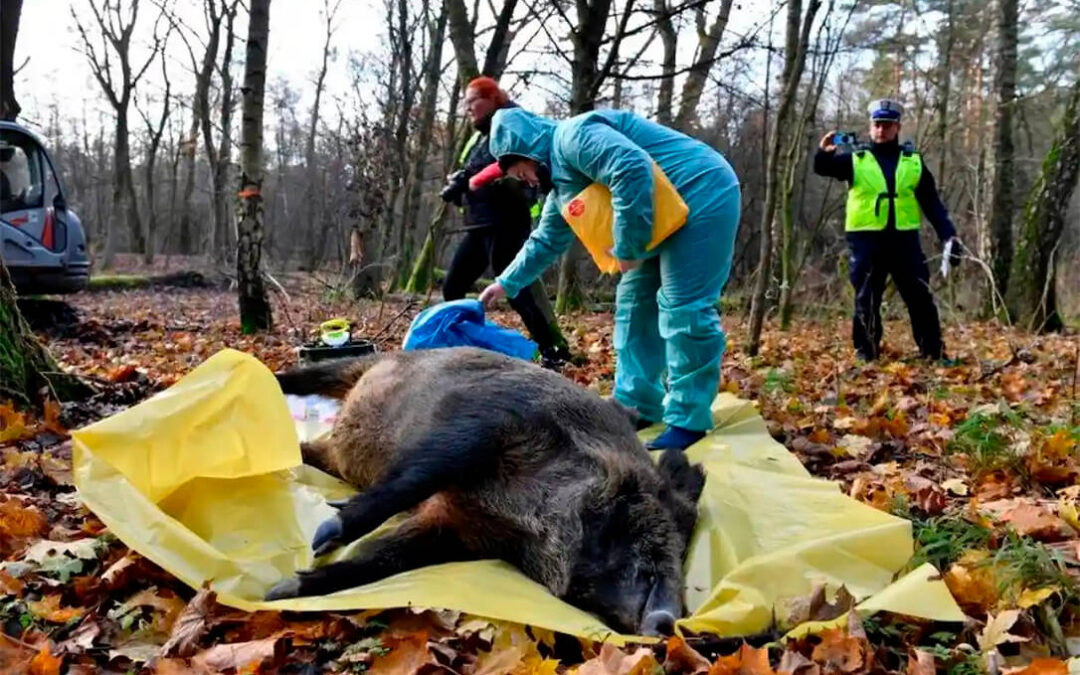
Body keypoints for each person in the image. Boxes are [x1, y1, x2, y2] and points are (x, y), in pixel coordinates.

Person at [477, 107, 741, 451]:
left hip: (701, 191)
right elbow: (545, 241)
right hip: (658, 214)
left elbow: (630, 167)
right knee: (633, 307)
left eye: (520, 171)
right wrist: (505, 283)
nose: (524, 180)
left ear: (527, 152)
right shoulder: (561, 190)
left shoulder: (574, 136)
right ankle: (636, 405)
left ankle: (688, 419)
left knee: (683, 308)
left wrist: (629, 244)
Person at [814, 98, 962, 362]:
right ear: (871, 127)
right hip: (866, 241)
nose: (881, 130)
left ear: (897, 127)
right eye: (877, 125)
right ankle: (866, 352)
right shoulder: (856, 159)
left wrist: (948, 234)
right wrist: (824, 152)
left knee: (919, 297)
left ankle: (933, 352)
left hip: (905, 241)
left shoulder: (912, 162)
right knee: (866, 298)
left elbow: (931, 202)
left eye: (887, 125)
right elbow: (823, 168)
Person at [439, 77, 570, 365]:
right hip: (479, 225)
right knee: (452, 286)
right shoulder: (480, 136)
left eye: (473, 101)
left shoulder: (511, 125)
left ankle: (553, 350)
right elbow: (476, 168)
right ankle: (463, 346)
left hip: (507, 221)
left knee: (515, 288)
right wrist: (461, 181)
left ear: (493, 97)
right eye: (465, 103)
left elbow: (512, 172)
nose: (468, 108)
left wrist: (475, 179)